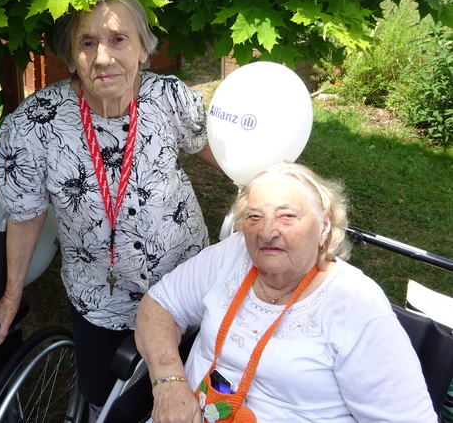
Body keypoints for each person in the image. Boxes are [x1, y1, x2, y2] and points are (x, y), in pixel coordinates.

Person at [0, 0, 222, 418]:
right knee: (107, 400)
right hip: (99, 295)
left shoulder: (169, 98)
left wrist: (269, 186)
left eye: (118, 39)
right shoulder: (33, 126)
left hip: (185, 281)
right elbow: (25, 216)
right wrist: (11, 295)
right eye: (87, 43)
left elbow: (221, 156)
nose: (103, 58)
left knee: (191, 388)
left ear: (144, 48)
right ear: (70, 56)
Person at [136, 161, 437, 423]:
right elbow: (159, 305)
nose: (267, 232)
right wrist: (169, 383)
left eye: (287, 216)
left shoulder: (356, 303)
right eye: (254, 216)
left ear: (324, 225)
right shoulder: (234, 253)